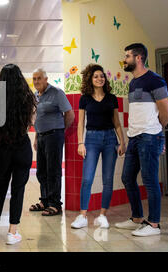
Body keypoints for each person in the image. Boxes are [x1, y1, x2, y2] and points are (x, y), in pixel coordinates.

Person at [115, 43, 168, 237]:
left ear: (138, 58)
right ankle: (137, 218)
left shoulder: (155, 80)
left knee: (149, 180)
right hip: (134, 137)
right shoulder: (133, 82)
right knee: (127, 177)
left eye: (127, 56)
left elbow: (167, 112)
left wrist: (157, 133)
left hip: (149, 137)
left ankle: (154, 224)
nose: (125, 59)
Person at [0, 64, 36, 245]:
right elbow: (32, 122)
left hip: (4, 147)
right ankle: (12, 232)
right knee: (18, 190)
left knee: (0, 187)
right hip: (22, 146)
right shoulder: (28, 97)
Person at [71, 64, 126, 229]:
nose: (99, 78)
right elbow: (80, 123)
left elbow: (116, 122)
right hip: (91, 140)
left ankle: (103, 215)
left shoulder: (111, 98)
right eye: (96, 76)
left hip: (110, 139)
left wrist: (122, 142)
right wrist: (80, 143)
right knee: (87, 179)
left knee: (107, 180)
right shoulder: (85, 98)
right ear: (90, 79)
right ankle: (82, 216)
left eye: (101, 76)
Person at [30, 68, 74, 216]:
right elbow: (39, 118)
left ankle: (55, 204)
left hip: (54, 136)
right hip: (41, 136)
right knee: (41, 171)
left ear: (46, 79)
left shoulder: (57, 93)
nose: (36, 81)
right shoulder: (36, 95)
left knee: (53, 171)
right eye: (34, 79)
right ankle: (45, 201)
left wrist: (60, 130)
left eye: (39, 78)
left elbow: (70, 114)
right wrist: (36, 137)